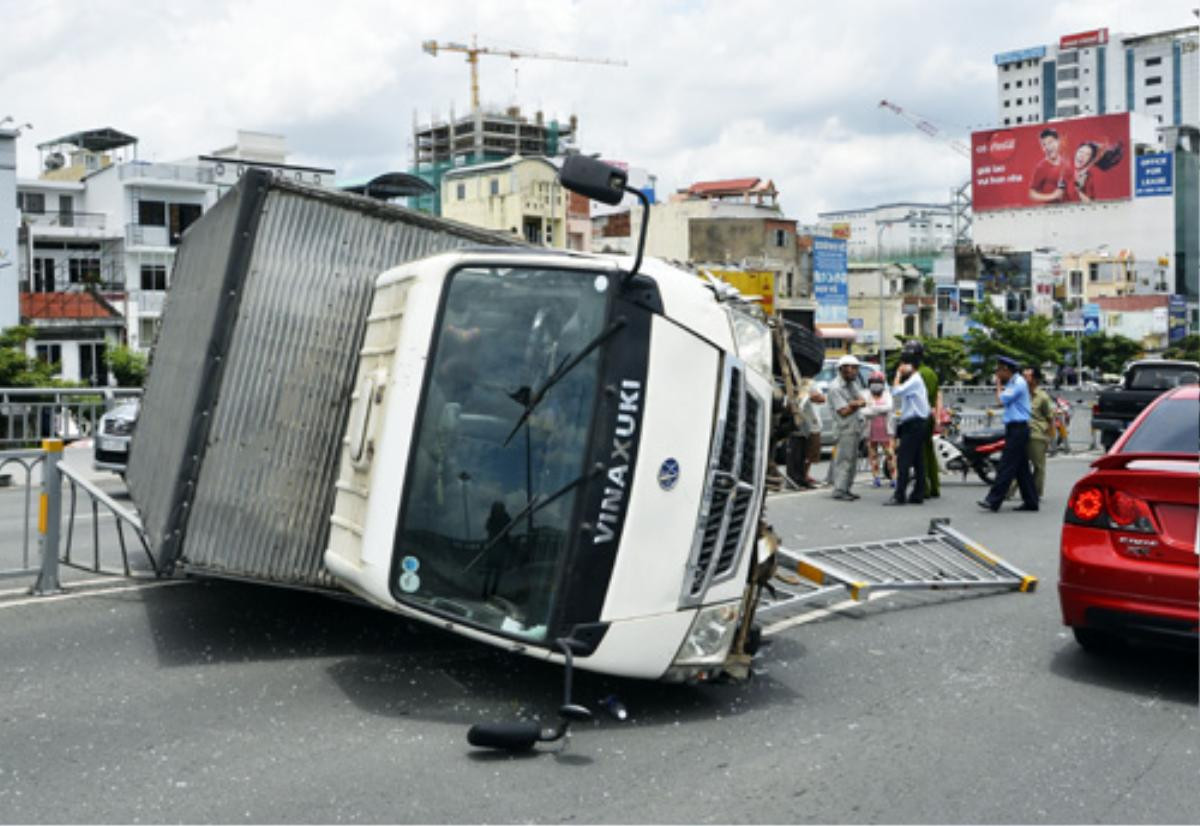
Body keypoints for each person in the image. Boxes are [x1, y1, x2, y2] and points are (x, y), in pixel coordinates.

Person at [979, 356, 1039, 512]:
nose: (997, 374)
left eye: (999, 370)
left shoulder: (1018, 383)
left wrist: (998, 385)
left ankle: (993, 500)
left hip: (1018, 429)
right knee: (1021, 469)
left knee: (1006, 465)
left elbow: (1000, 400)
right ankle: (1031, 501)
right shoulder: (1014, 382)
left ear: (1006, 369)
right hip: (1015, 428)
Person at [901, 341, 943, 499]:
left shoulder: (918, 375)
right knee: (929, 452)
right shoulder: (930, 372)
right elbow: (937, 395)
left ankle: (923, 487)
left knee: (920, 455)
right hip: (929, 416)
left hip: (919, 417)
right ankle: (934, 486)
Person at [886, 357, 929, 506]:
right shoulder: (915, 380)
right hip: (915, 423)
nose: (902, 366)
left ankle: (900, 495)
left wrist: (897, 374)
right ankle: (918, 494)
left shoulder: (915, 380)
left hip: (914, 424)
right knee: (917, 461)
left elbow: (896, 391)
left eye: (904, 364)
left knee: (903, 460)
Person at [828, 354, 867, 501]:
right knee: (844, 460)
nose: (856, 372)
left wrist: (854, 404)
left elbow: (862, 401)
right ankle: (839, 489)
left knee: (852, 460)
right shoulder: (835, 387)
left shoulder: (852, 384)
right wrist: (855, 404)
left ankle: (846, 488)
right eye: (854, 368)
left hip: (855, 426)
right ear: (845, 369)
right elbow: (843, 411)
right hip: (844, 427)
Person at [1025, 366, 1056, 497]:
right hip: (1021, 433)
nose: (1024, 378)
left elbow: (1050, 418)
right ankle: (1008, 492)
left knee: (1038, 466)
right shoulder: (1021, 394)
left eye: (1027, 376)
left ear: (1035, 379)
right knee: (1017, 464)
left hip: (1037, 434)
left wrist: (1050, 438)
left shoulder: (1042, 397)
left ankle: (1035, 492)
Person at [863, 370, 896, 488]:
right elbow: (863, 411)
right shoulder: (866, 394)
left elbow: (888, 407)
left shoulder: (887, 394)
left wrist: (872, 408)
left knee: (890, 455)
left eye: (878, 382)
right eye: (873, 382)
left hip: (886, 430)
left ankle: (893, 478)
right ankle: (876, 477)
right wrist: (878, 409)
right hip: (871, 430)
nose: (876, 384)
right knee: (873, 455)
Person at [1028, 128, 1070, 204]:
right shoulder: (1041, 167)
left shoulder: (1066, 163)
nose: (1047, 147)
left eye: (1050, 142)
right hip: (1052, 211)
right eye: (1044, 144)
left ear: (1058, 141)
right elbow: (1032, 194)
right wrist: (1053, 196)